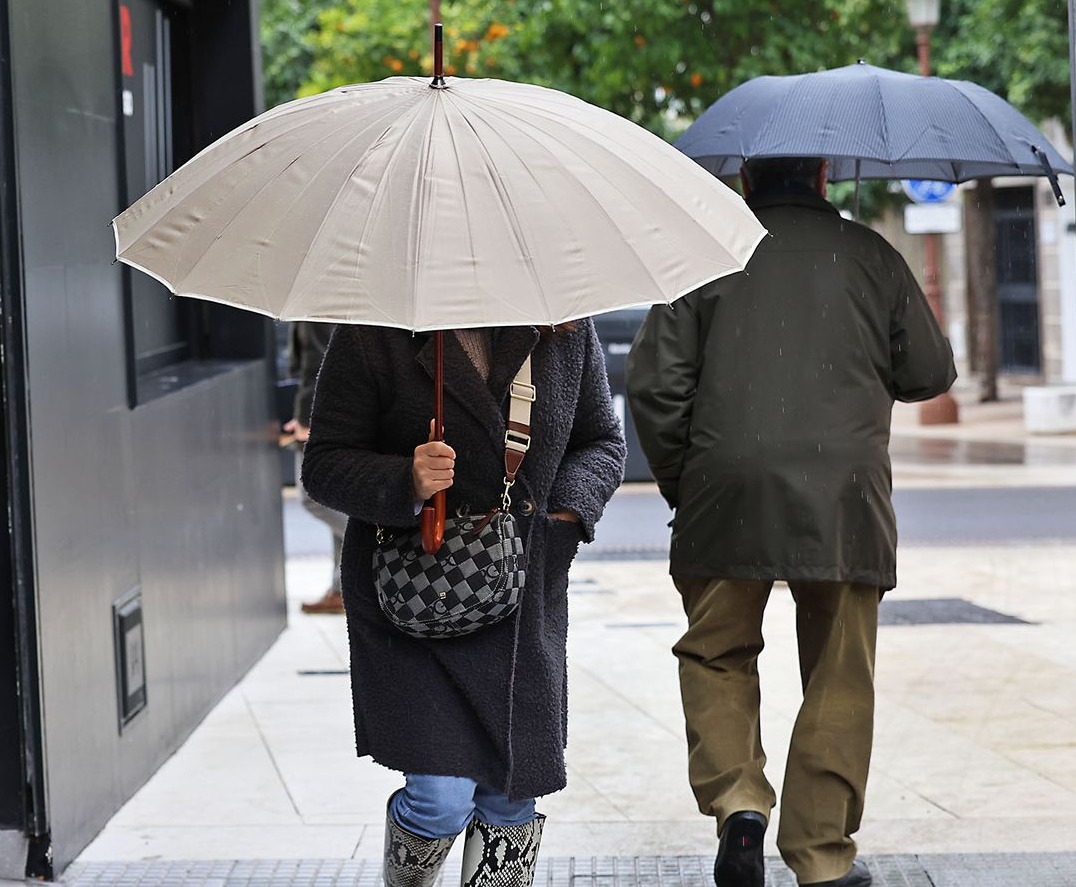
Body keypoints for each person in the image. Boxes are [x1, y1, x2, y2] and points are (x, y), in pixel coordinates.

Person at [625, 156, 956, 887]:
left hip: (725, 485)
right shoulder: (873, 255)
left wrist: (689, 480)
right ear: (824, 176)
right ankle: (820, 853)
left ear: (745, 180)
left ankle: (740, 803)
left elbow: (654, 385)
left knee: (716, 650)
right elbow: (929, 371)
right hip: (844, 497)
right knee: (840, 668)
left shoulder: (702, 256)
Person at [302, 323, 625, 887]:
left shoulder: (563, 324)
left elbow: (600, 443)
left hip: (521, 596)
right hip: (411, 598)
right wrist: (404, 477)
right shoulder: (375, 329)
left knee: (508, 799)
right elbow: (324, 463)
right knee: (439, 800)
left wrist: (565, 516)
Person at [285, 320, 351, 614]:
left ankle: (379, 543)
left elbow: (319, 362)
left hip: (325, 419)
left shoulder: (318, 304)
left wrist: (306, 420)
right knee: (339, 501)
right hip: (335, 415)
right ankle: (342, 588)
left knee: (314, 499)